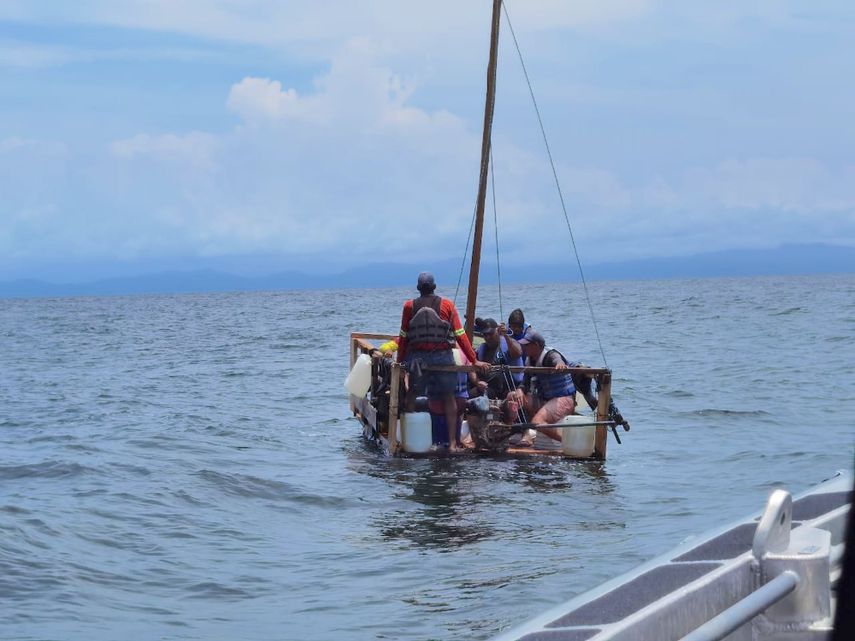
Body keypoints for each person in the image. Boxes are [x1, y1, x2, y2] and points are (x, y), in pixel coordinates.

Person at [397, 272, 489, 451]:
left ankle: (408, 439)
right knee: (449, 396)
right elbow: (460, 336)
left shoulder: (409, 306)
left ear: (418, 288)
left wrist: (400, 362)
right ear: (434, 287)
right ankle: (453, 444)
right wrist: (474, 360)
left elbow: (403, 337)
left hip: (418, 358)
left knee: (412, 395)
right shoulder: (447, 305)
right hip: (442, 356)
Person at [507, 329, 576, 445]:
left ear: (537, 345)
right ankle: (525, 432)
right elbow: (525, 381)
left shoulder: (550, 355)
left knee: (537, 421)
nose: (524, 348)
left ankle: (568, 442)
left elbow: (557, 359)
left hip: (563, 399)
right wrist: (520, 390)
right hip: (544, 399)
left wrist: (560, 364)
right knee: (512, 396)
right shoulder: (530, 360)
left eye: (527, 345)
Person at [471, 318, 524, 400]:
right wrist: (477, 382)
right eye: (485, 335)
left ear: (497, 331)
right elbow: (471, 367)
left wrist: (506, 335)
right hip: (488, 389)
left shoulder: (508, 344)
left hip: (509, 389)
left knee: (512, 398)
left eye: (490, 333)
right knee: (469, 395)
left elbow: (518, 353)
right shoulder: (482, 349)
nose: (488, 337)